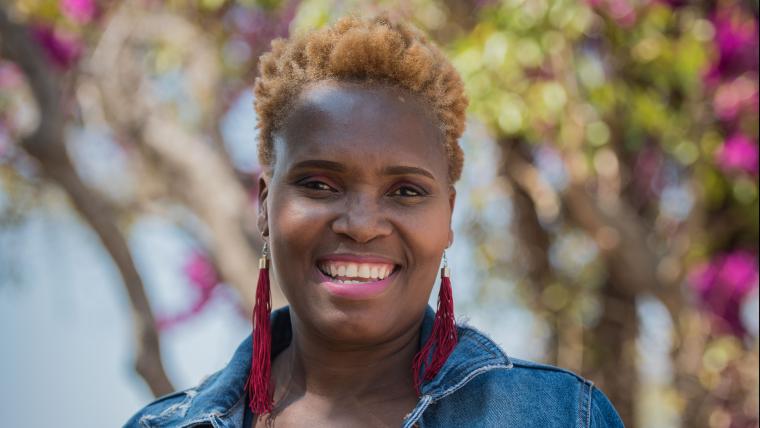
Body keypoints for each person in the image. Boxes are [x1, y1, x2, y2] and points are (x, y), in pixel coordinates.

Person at [125, 16, 624, 428]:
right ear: (264, 206)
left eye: (405, 191)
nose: (361, 225)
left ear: (448, 217)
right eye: (319, 184)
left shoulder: (560, 417)